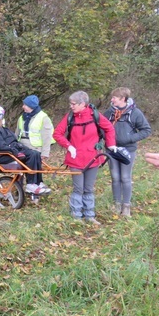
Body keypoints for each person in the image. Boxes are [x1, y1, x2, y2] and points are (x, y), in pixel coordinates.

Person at [53, 91, 116, 224]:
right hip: (75, 159)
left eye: (73, 104)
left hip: (93, 158)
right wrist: (69, 146)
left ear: (83, 104)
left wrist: (111, 144)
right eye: (70, 103)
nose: (71, 106)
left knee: (88, 188)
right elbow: (57, 133)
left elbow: (109, 128)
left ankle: (89, 215)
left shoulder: (95, 116)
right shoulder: (70, 117)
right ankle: (76, 215)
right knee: (78, 188)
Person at [102, 87, 151, 217]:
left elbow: (146, 130)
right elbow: (102, 128)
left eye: (114, 98)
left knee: (125, 177)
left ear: (123, 99)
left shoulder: (135, 112)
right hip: (112, 150)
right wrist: (107, 140)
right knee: (115, 177)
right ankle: (117, 205)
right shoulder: (109, 112)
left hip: (128, 150)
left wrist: (129, 139)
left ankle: (126, 206)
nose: (112, 100)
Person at [0, 105, 50, 194]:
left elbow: (13, 140)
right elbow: (0, 145)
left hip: (10, 151)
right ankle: (31, 184)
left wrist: (21, 148)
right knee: (32, 155)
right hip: (1, 155)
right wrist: (15, 151)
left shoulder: (3, 128)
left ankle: (38, 182)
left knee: (35, 153)